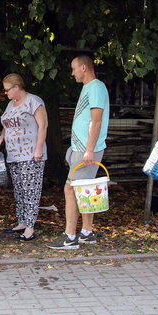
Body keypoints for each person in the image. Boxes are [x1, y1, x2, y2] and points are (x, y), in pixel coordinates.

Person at [49, 55, 110, 250]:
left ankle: (70, 237)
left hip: (86, 150)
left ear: (84, 68)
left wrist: (89, 150)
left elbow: (96, 120)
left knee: (71, 189)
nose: (72, 72)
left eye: (74, 68)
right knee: (84, 189)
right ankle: (86, 233)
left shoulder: (96, 88)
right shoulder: (90, 88)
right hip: (82, 149)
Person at [0, 73, 48, 241]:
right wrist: (2, 137)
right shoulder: (11, 104)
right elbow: (7, 123)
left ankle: (30, 228)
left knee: (31, 191)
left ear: (17, 87)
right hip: (14, 156)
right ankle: (22, 222)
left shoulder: (34, 101)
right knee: (19, 191)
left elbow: (43, 125)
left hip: (31, 155)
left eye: (7, 90)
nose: (5, 93)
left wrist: (38, 150)